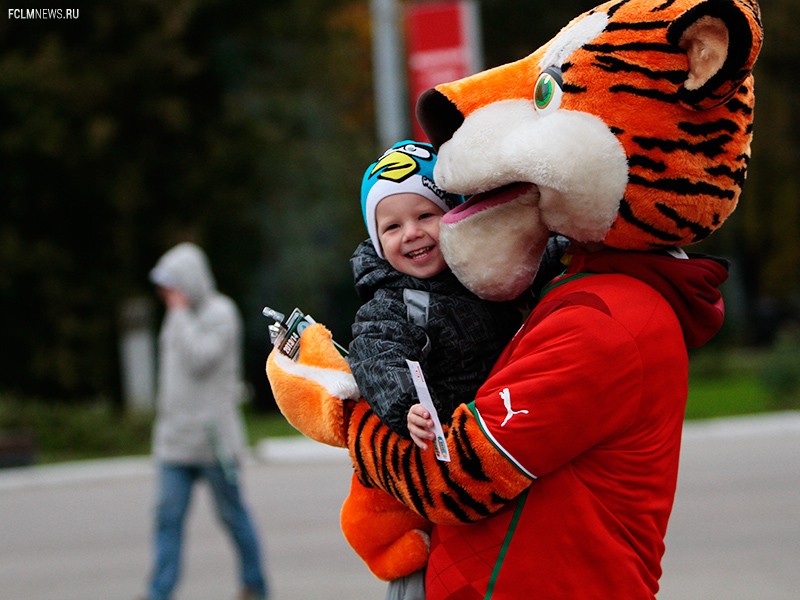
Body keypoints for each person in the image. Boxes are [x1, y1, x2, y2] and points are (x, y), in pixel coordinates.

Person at [344, 141, 529, 599]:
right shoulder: (392, 303)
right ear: (376, 239)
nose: (411, 233)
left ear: (455, 215)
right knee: (422, 577)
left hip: (503, 441)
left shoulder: (491, 271)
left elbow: (541, 257)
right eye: (391, 226)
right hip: (440, 458)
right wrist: (405, 405)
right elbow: (375, 356)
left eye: (425, 216)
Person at [143, 242, 268, 600]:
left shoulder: (220, 312)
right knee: (167, 521)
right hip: (175, 443)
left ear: (189, 280)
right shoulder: (175, 315)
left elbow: (200, 358)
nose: (165, 293)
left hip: (215, 443)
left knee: (233, 517)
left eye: (171, 284)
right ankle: (158, 593)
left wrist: (180, 314)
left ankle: (255, 587)